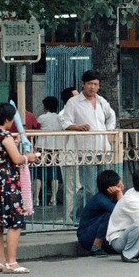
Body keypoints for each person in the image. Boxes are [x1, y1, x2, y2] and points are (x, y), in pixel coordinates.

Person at [0, 102, 38, 274]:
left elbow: (1, 150)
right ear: (7, 119)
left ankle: (1, 261)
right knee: (15, 222)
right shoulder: (5, 136)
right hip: (6, 182)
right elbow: (17, 159)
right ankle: (12, 262)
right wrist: (30, 156)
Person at [59, 70, 117, 213]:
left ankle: (99, 212)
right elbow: (65, 122)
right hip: (86, 149)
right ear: (83, 84)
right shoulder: (73, 102)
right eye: (90, 84)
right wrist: (77, 127)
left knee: (106, 185)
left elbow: (111, 116)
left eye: (95, 84)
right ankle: (76, 214)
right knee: (89, 187)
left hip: (104, 148)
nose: (92, 87)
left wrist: (109, 131)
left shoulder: (102, 101)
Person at [77, 169, 123, 256]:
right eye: (119, 185)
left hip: (95, 232)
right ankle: (96, 246)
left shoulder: (112, 197)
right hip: (86, 236)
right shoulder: (100, 199)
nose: (122, 186)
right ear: (111, 188)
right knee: (109, 215)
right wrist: (119, 193)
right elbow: (120, 211)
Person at [35, 96, 62, 207]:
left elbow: (36, 128)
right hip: (55, 148)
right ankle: (53, 199)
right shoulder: (60, 118)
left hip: (42, 148)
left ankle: (36, 199)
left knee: (38, 174)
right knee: (54, 173)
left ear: (45, 106)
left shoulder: (42, 118)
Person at [58, 87, 80, 220]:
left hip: (82, 155)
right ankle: (70, 217)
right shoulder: (63, 114)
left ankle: (77, 215)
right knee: (72, 188)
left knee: (80, 187)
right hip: (69, 156)